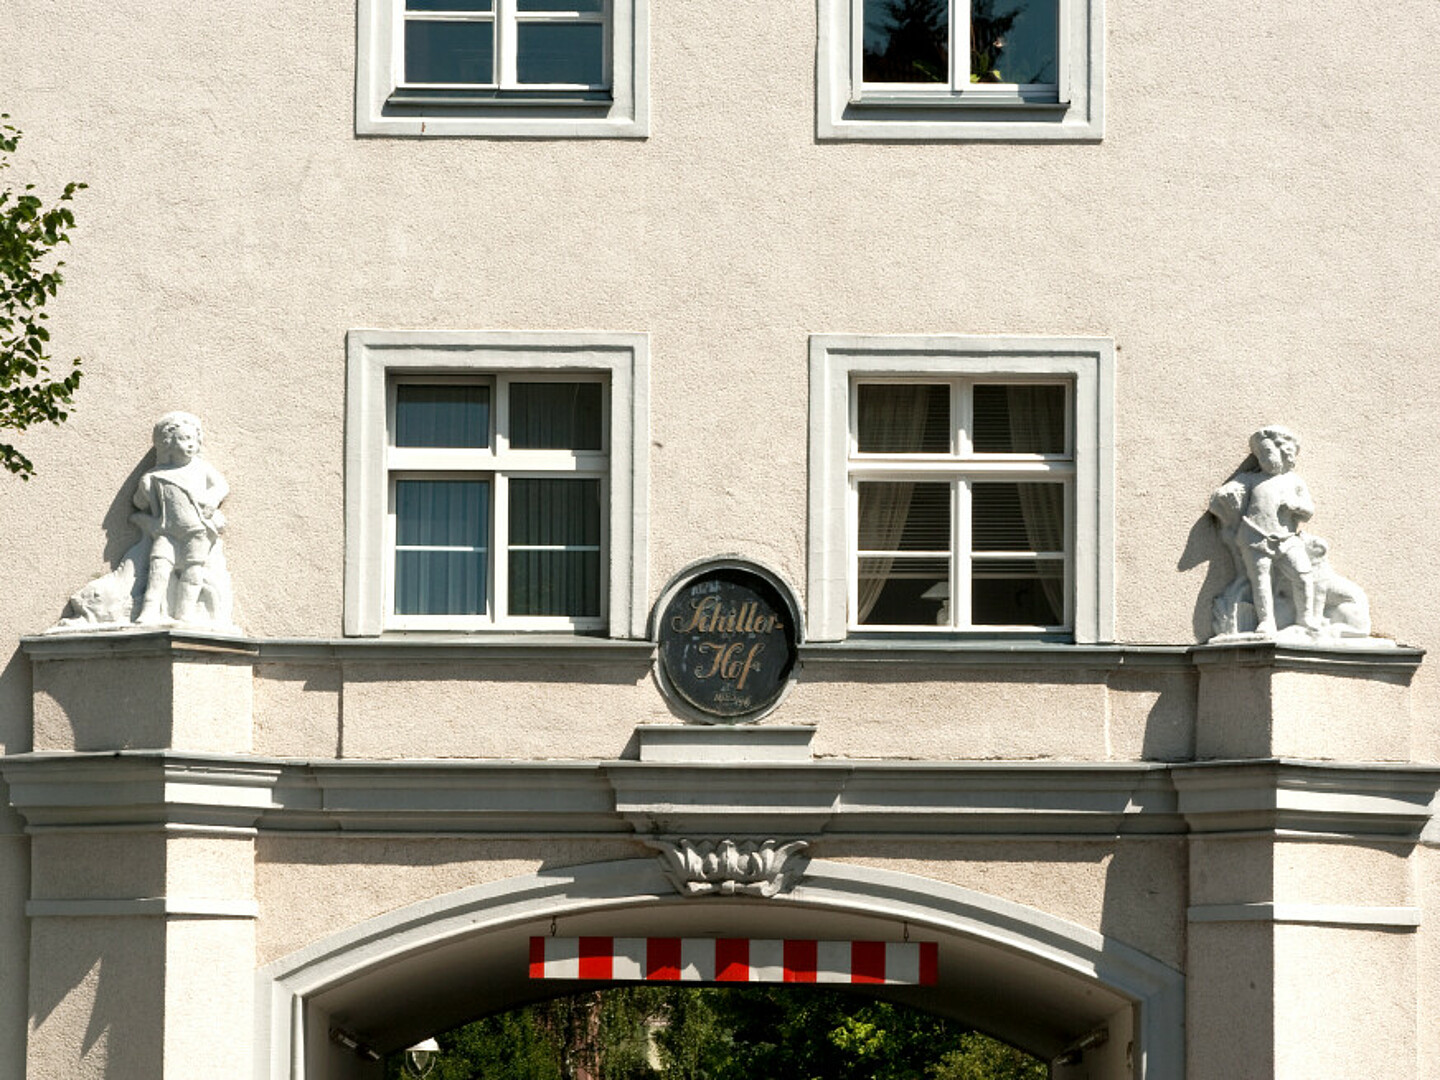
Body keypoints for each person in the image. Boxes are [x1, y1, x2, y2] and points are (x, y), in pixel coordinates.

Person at [132, 412, 229, 625]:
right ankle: (149, 610)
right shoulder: (156, 475)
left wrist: (211, 502)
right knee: (158, 568)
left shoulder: (200, 468)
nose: (191, 444)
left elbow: (221, 486)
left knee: (193, 571)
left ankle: (185, 613)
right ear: (168, 442)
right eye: (184, 439)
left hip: (197, 530)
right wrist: (144, 488)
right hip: (166, 532)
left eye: (194, 439)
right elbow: (140, 503)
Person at [1232, 425, 1318, 636]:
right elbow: (1226, 495)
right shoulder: (1250, 479)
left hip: (1287, 538)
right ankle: (1266, 622)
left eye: (1268, 453)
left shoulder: (1294, 481)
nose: (1264, 459)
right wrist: (1227, 495)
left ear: (1284, 452)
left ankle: (1306, 617)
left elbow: (1308, 511)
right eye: (1260, 455)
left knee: (1303, 574)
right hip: (1255, 536)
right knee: (1261, 579)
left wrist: (1294, 506)